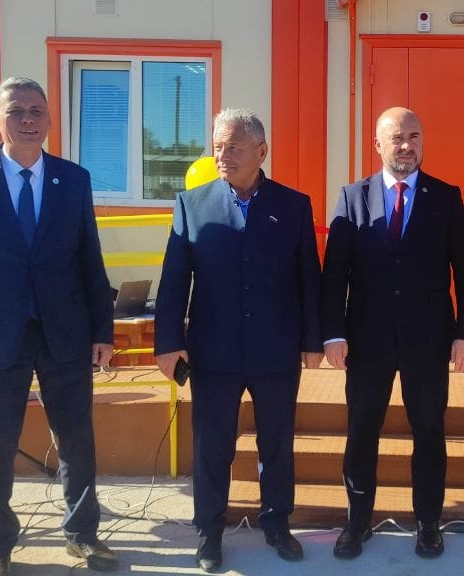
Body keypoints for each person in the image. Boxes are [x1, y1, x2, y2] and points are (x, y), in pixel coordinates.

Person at [0, 77, 117, 576]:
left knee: (77, 440)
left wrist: (103, 329)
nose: (29, 119)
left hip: (65, 331)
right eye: (16, 111)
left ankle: (83, 535)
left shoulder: (73, 178)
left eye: (37, 110)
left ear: (50, 118)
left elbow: (89, 258)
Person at [153, 108, 323, 573]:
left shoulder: (294, 206)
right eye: (217, 146)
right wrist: (168, 341)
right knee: (212, 446)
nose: (222, 155)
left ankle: (277, 523)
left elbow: (309, 278)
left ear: (261, 151)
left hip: (276, 349)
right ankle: (209, 531)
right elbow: (174, 280)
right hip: (213, 351)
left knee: (276, 444)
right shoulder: (192, 204)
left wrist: (312, 340)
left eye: (233, 147)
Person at [321, 107, 464, 560]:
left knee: (429, 431)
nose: (406, 145)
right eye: (397, 137)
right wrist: (332, 333)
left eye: (414, 136)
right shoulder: (352, 197)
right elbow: (335, 274)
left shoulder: (446, 197)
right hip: (366, 341)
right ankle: (357, 522)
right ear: (378, 145)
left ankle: (428, 523)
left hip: (428, 341)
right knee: (361, 431)